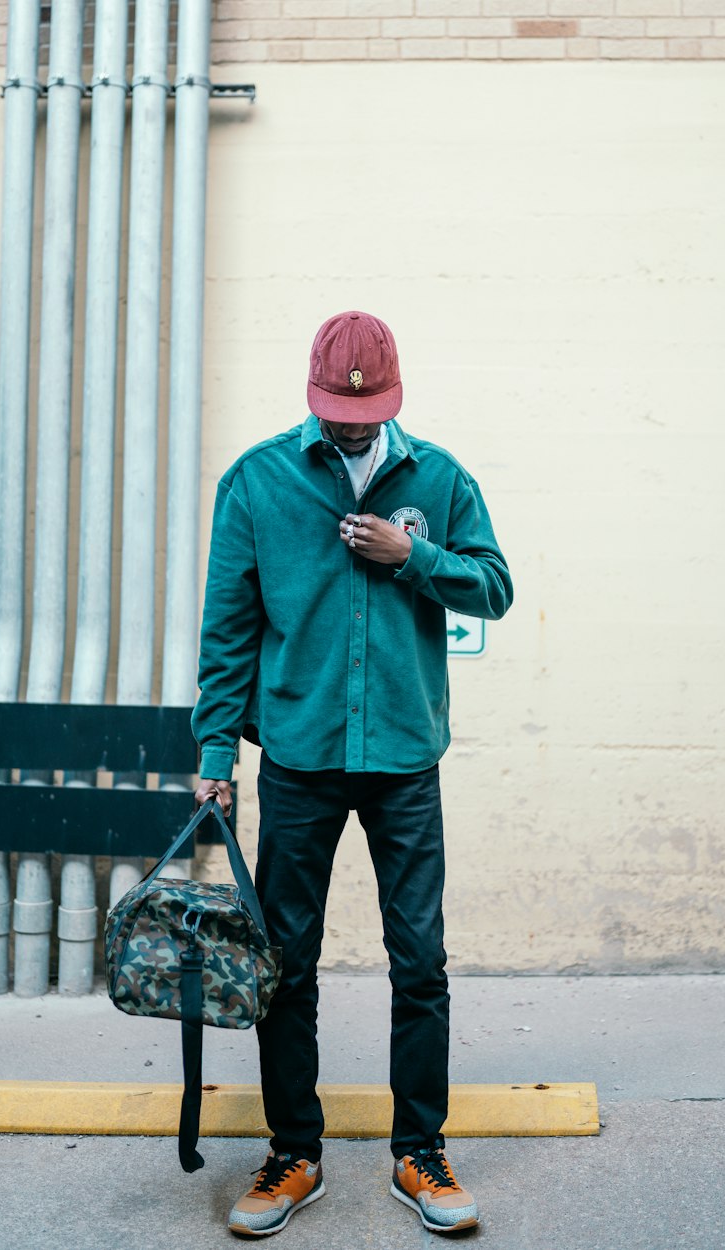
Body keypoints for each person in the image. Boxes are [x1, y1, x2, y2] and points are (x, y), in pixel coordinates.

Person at [192, 310, 512, 1238]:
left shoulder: (441, 480)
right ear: (313, 393)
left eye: (363, 415)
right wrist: (217, 755)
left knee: (422, 962)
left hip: (408, 762)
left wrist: (415, 557)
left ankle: (421, 1151)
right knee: (284, 965)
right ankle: (296, 1152)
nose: (349, 428)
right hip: (297, 760)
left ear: (393, 396)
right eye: (335, 412)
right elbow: (228, 628)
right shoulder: (255, 482)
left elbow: (494, 585)